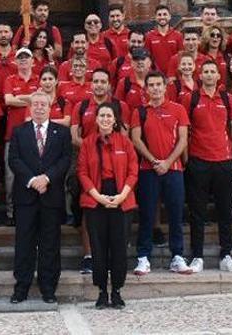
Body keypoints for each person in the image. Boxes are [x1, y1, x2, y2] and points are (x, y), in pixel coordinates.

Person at [7, 91, 72, 304]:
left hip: (51, 196)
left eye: (43, 104)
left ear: (50, 106)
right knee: (24, 243)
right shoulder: (19, 132)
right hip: (26, 196)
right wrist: (32, 180)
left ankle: (48, 287)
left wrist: (47, 178)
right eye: (35, 104)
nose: (39, 108)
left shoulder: (61, 133)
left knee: (50, 244)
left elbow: (65, 160)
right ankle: (21, 287)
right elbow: (14, 160)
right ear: (30, 106)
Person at [182, 60, 232, 272]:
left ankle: (226, 254)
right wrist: (187, 160)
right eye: (205, 71)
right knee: (197, 212)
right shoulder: (192, 98)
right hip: (199, 161)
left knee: (225, 212)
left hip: (224, 162)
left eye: (212, 72)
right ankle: (197, 256)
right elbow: (185, 131)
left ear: (218, 76)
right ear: (201, 75)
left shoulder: (227, 98)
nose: (209, 75)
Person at [77, 102, 137, 309]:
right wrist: (97, 196)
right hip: (96, 198)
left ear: (115, 119)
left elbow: (133, 171)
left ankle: (117, 290)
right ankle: (102, 291)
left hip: (121, 197)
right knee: (99, 247)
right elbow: (82, 172)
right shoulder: (87, 143)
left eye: (108, 116)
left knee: (119, 247)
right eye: (101, 115)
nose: (105, 119)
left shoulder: (125, 142)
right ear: (96, 119)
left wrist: (122, 196)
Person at [130, 72, 190, 275]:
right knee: (147, 214)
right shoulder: (140, 111)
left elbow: (183, 140)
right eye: (151, 85)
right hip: (148, 170)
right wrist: (154, 161)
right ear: (146, 89)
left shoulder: (178, 109)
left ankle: (177, 256)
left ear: (165, 87)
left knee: (175, 214)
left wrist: (168, 162)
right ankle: (143, 257)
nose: (155, 88)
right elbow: (136, 139)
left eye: (158, 85)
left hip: (173, 170)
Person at [2, 48, 40, 224]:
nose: (23, 61)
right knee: (11, 177)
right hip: (12, 134)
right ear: (15, 62)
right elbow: (8, 100)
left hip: (35, 135)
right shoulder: (10, 79)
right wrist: (31, 98)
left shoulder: (39, 79)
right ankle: (11, 213)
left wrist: (21, 98)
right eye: (20, 58)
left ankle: (32, 212)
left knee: (33, 174)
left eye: (27, 57)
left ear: (33, 61)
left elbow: (42, 100)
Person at [144, 5, 183, 74]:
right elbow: (147, 58)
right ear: (155, 17)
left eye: (165, 14)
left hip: (174, 75)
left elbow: (181, 56)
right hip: (156, 76)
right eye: (159, 15)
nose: (162, 17)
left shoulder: (178, 35)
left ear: (170, 17)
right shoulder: (149, 36)